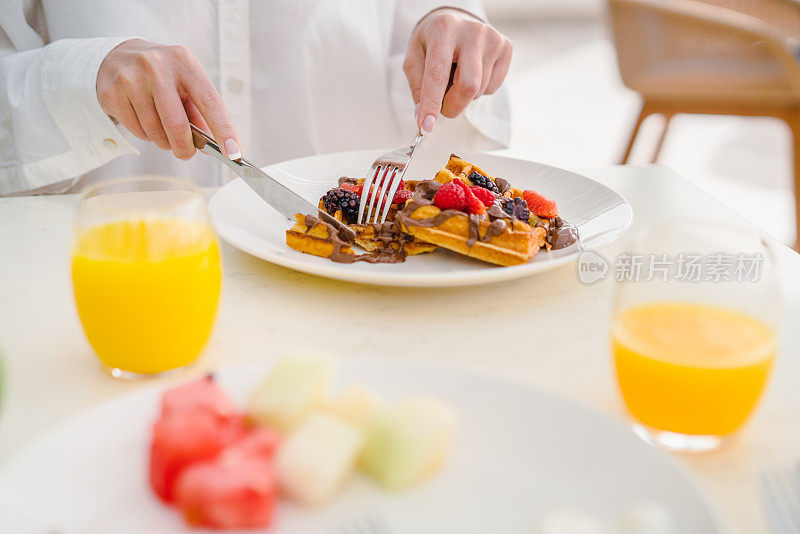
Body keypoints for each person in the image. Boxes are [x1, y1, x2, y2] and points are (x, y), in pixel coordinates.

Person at [0, 1, 512, 196]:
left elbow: (470, 102)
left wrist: (451, 19)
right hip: (111, 276)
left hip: (366, 285)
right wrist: (83, 74)